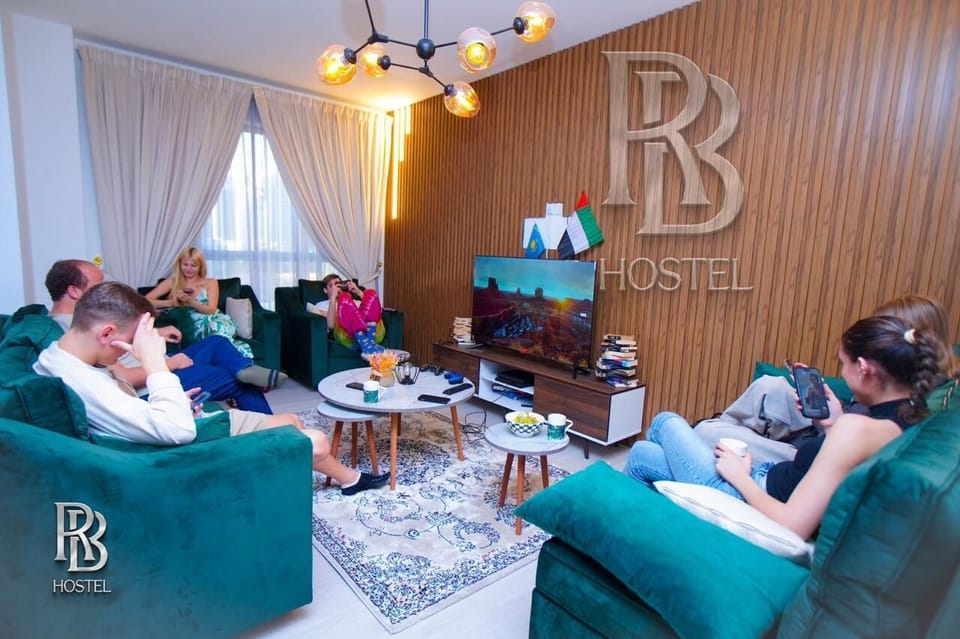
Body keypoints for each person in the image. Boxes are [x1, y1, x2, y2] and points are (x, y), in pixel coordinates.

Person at [34, 281, 390, 495]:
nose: (128, 351)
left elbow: (139, 412)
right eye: (129, 342)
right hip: (188, 443)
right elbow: (174, 432)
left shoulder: (62, 358)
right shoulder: (82, 382)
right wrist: (156, 363)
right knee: (312, 438)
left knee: (293, 420)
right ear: (106, 333)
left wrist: (175, 399)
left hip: (178, 420)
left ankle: (350, 480)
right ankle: (349, 479)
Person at [624, 315, 941, 539]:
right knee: (641, 453)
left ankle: (645, 530)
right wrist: (831, 423)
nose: (842, 373)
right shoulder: (908, 421)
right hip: (766, 480)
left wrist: (739, 476)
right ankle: (638, 531)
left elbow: (793, 526)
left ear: (863, 368)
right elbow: (841, 466)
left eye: (842, 363)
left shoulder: (857, 429)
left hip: (748, 494)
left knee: (664, 422)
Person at [694, 294, 958, 463]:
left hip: (818, 458)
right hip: (829, 430)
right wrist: (832, 409)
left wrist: (835, 425)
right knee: (770, 387)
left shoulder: (921, 397)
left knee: (704, 433)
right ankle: (723, 436)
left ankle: (713, 445)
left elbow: (853, 446)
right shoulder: (900, 376)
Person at [45, 259, 284, 414]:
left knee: (217, 342)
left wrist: (156, 333)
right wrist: (170, 364)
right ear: (74, 291)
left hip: (158, 368)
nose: (102, 290)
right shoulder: (76, 330)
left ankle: (245, 368)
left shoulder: (77, 322)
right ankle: (277, 435)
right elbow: (125, 377)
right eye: (98, 284)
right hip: (152, 384)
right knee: (230, 377)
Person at [145, 247, 252, 358]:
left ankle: (231, 359)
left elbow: (211, 310)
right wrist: (171, 303)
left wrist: (191, 302)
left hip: (212, 318)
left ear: (200, 266)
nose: (188, 269)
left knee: (217, 328)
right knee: (205, 337)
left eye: (193, 266)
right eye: (185, 264)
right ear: (180, 264)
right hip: (191, 323)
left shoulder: (210, 282)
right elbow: (144, 301)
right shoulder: (171, 282)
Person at [311, 273, 385, 354]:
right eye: (331, 285)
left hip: (372, 333)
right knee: (344, 298)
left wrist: (358, 291)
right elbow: (331, 326)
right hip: (348, 338)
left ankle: (368, 342)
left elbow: (375, 310)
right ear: (325, 290)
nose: (336, 288)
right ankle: (364, 341)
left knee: (370, 292)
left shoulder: (355, 301)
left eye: (338, 284)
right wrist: (333, 299)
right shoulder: (321, 305)